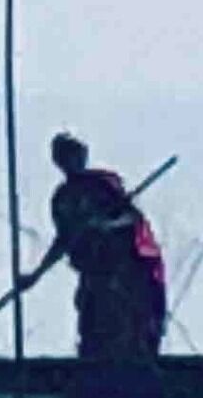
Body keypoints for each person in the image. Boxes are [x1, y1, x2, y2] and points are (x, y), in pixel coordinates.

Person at [40, 132, 168, 366]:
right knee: (94, 332)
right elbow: (63, 240)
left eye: (75, 156)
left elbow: (131, 218)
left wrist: (105, 224)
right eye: (65, 157)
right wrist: (36, 274)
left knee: (130, 331)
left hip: (125, 274)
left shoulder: (102, 185)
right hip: (94, 276)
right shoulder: (62, 198)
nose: (72, 163)